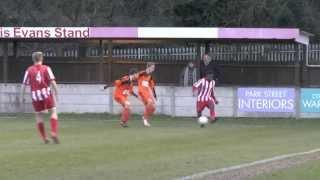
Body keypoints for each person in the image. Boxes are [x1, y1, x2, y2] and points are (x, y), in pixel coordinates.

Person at [20, 52, 59, 144]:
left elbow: (24, 85)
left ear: (33, 59)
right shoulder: (46, 68)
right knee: (53, 112)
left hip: (35, 96)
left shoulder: (29, 70)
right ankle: (53, 132)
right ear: (41, 59)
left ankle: (44, 137)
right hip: (46, 94)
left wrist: (21, 97)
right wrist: (57, 93)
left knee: (38, 115)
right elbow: (53, 82)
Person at [137, 62, 156, 127]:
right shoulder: (142, 73)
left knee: (153, 108)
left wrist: (154, 95)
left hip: (147, 92)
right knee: (150, 103)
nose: (154, 69)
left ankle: (145, 117)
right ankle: (145, 119)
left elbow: (152, 86)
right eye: (153, 67)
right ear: (149, 67)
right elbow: (133, 77)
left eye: (154, 67)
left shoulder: (150, 77)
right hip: (142, 91)